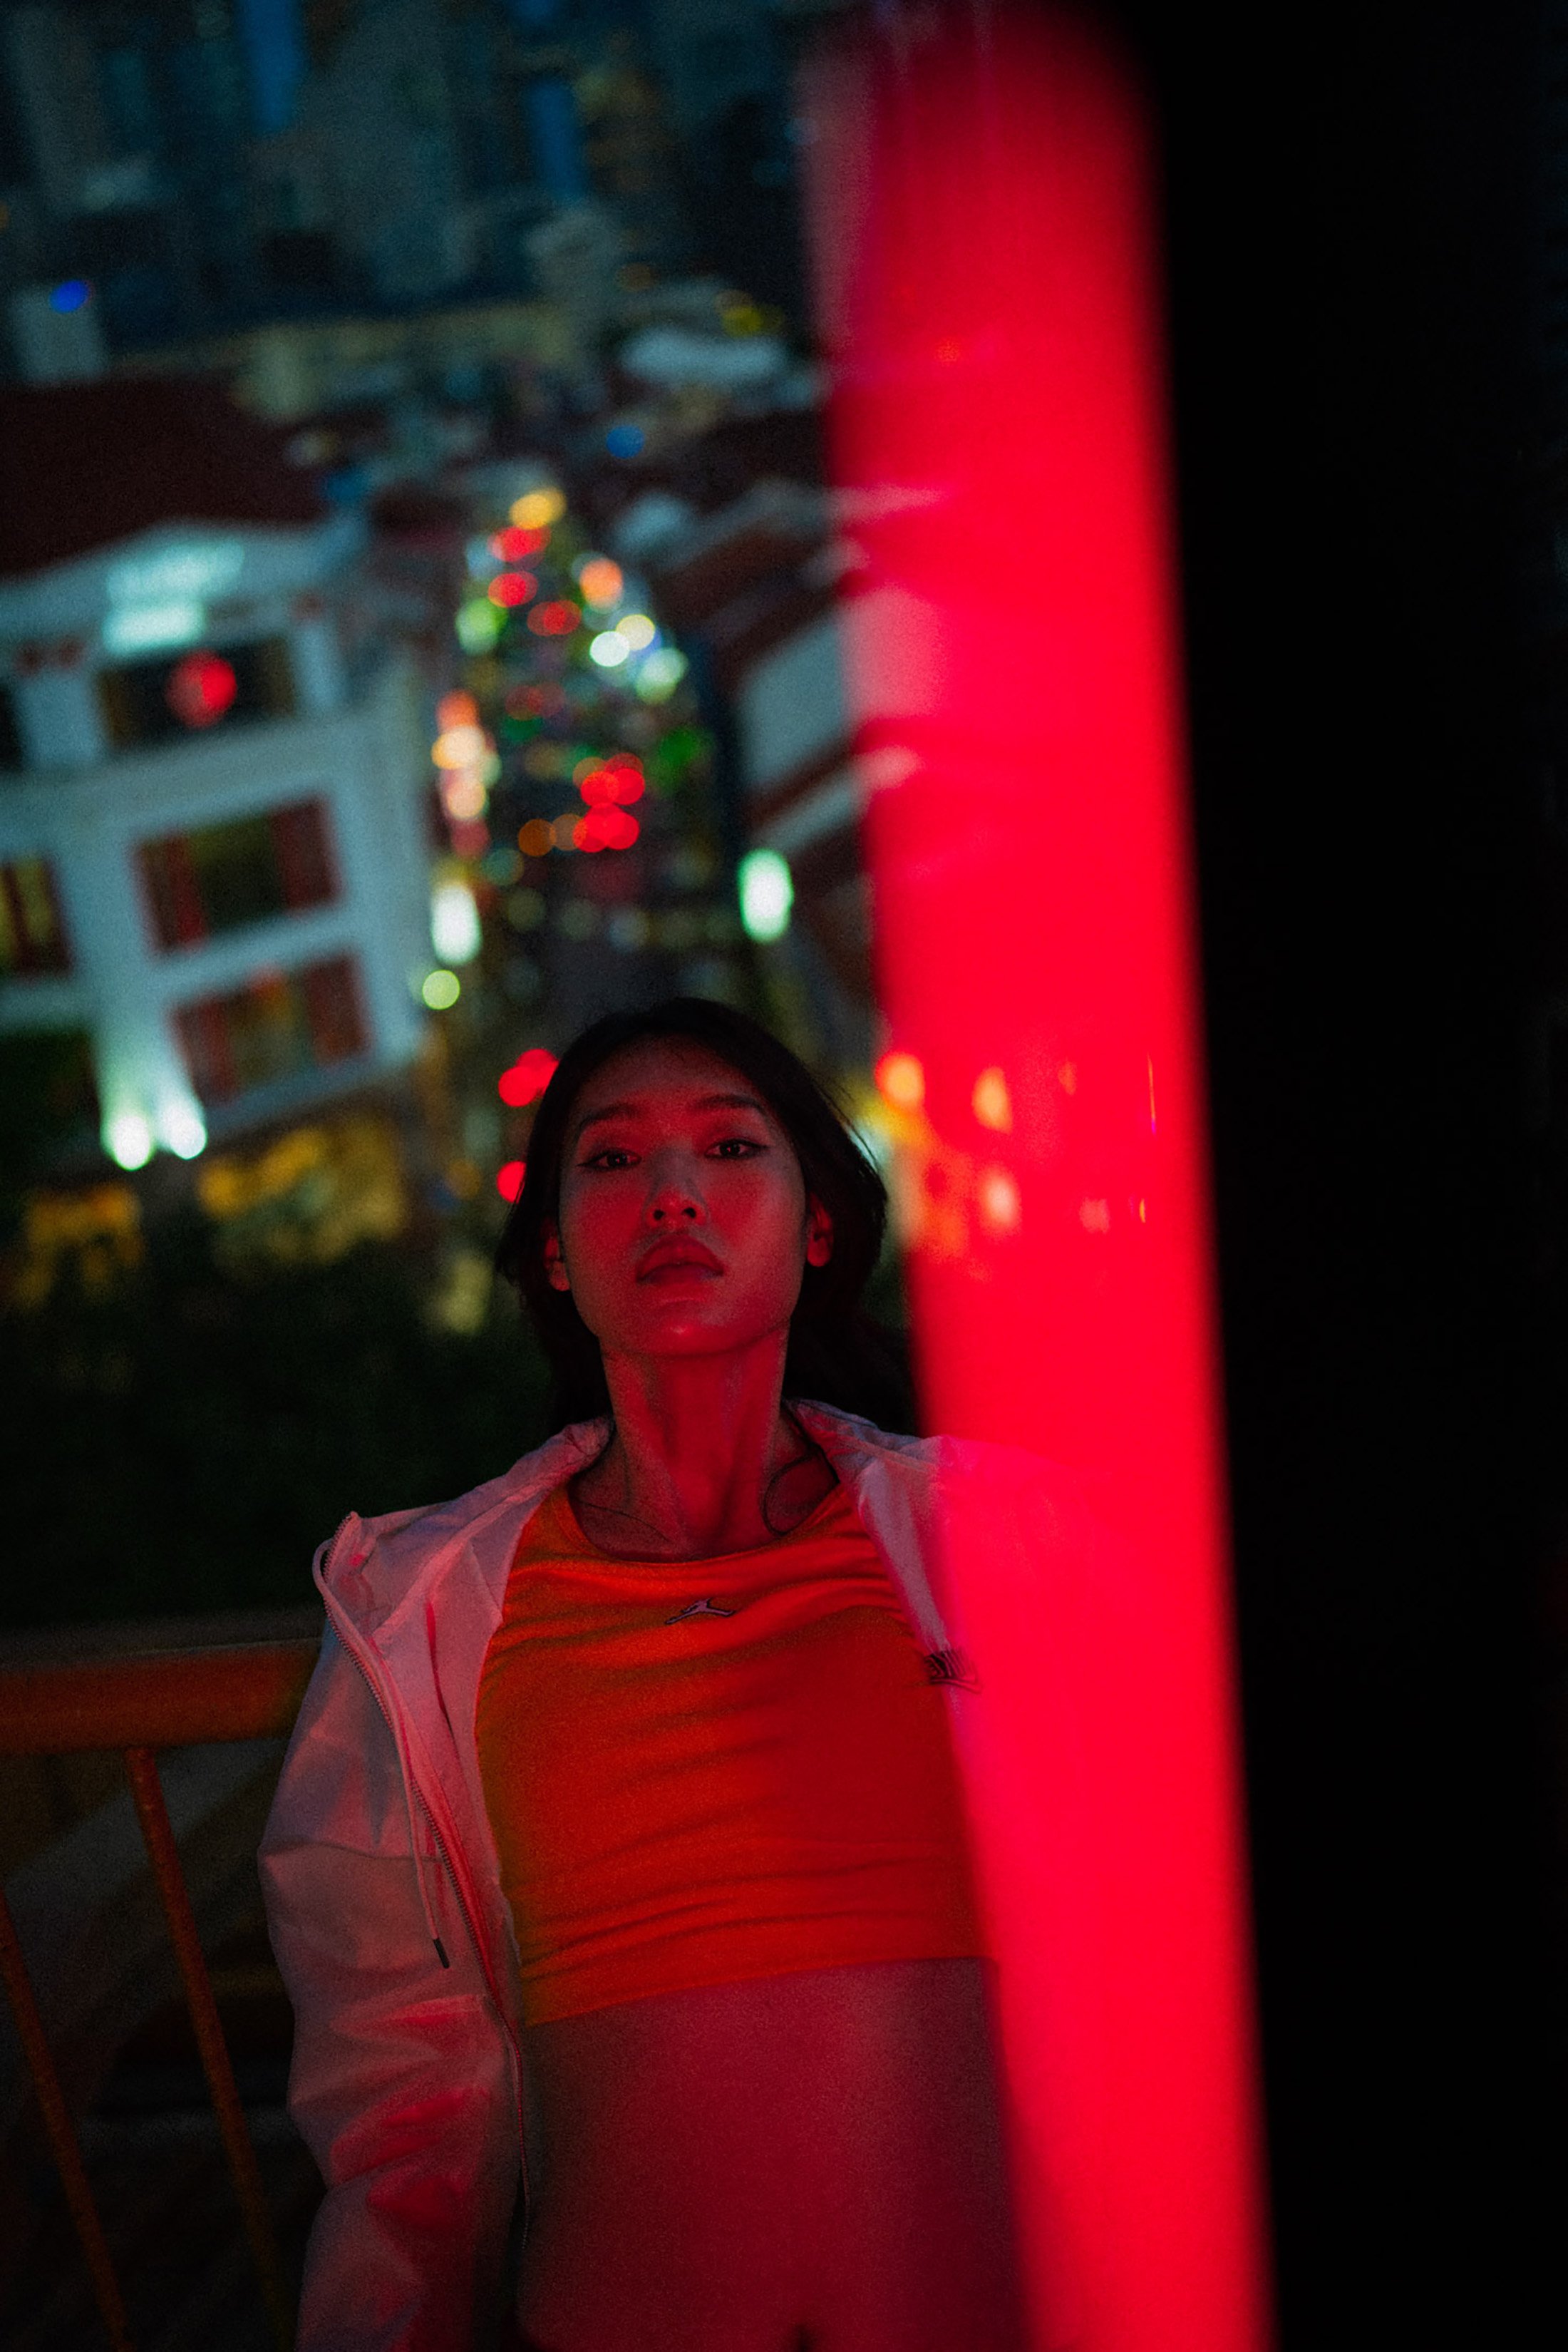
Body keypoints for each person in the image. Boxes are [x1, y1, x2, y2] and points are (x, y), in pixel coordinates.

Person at [262, 998, 1033, 2352]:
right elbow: (398, 2108)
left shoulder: (993, 1543)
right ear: (556, 1254)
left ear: (818, 1226)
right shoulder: (424, 1619)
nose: (674, 1193)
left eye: (729, 1148)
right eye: (613, 1160)